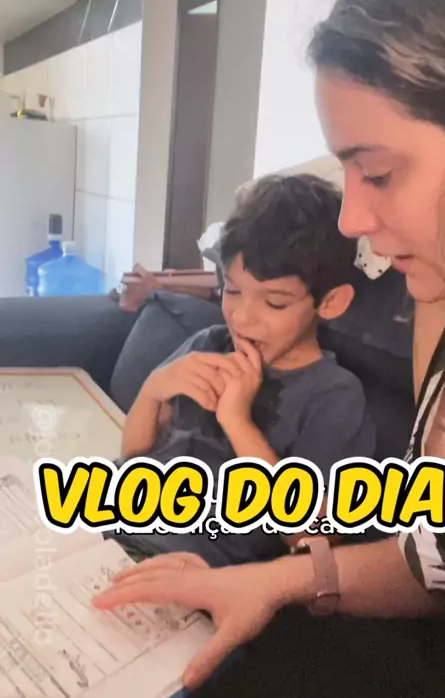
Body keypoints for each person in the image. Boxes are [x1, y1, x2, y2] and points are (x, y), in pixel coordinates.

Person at [92, 0, 445, 695]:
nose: (354, 218)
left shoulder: (341, 385)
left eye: (378, 173)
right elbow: (440, 560)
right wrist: (269, 585)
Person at [106, 173, 375, 566]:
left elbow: (313, 535)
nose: (243, 319)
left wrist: (237, 422)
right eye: (232, 291)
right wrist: (152, 391)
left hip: (187, 568)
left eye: (275, 303)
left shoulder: (332, 395)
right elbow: (133, 457)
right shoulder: (208, 344)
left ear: (331, 302)